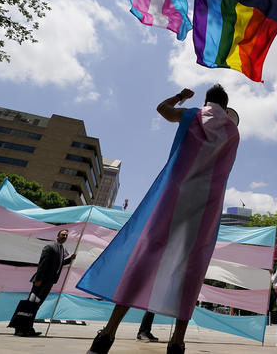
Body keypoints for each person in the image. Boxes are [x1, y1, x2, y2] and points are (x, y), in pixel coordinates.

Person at [80, 85, 240, 354]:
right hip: (206, 207)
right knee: (192, 266)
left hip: (174, 196)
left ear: (206, 101)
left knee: (145, 257)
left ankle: (107, 334)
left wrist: (181, 97)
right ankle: (177, 342)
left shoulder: (193, 115)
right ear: (225, 106)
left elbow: (162, 110)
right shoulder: (233, 131)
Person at [10, 229, 76, 337]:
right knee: (29, 305)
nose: (64, 237)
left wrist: (70, 260)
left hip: (49, 282)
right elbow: (42, 263)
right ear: (57, 236)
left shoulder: (62, 250)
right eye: (63, 235)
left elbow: (58, 264)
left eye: (66, 235)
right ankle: (19, 328)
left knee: (36, 306)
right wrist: (38, 279)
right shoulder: (50, 247)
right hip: (41, 281)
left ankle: (28, 328)